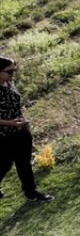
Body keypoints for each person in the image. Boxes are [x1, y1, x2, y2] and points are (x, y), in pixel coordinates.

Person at [0, 57, 52, 203]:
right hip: (3, 136)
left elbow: (15, 104)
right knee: (5, 164)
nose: (13, 74)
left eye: (14, 70)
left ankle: (31, 193)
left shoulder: (10, 83)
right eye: (9, 71)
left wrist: (23, 124)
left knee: (24, 163)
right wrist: (9, 123)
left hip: (20, 130)